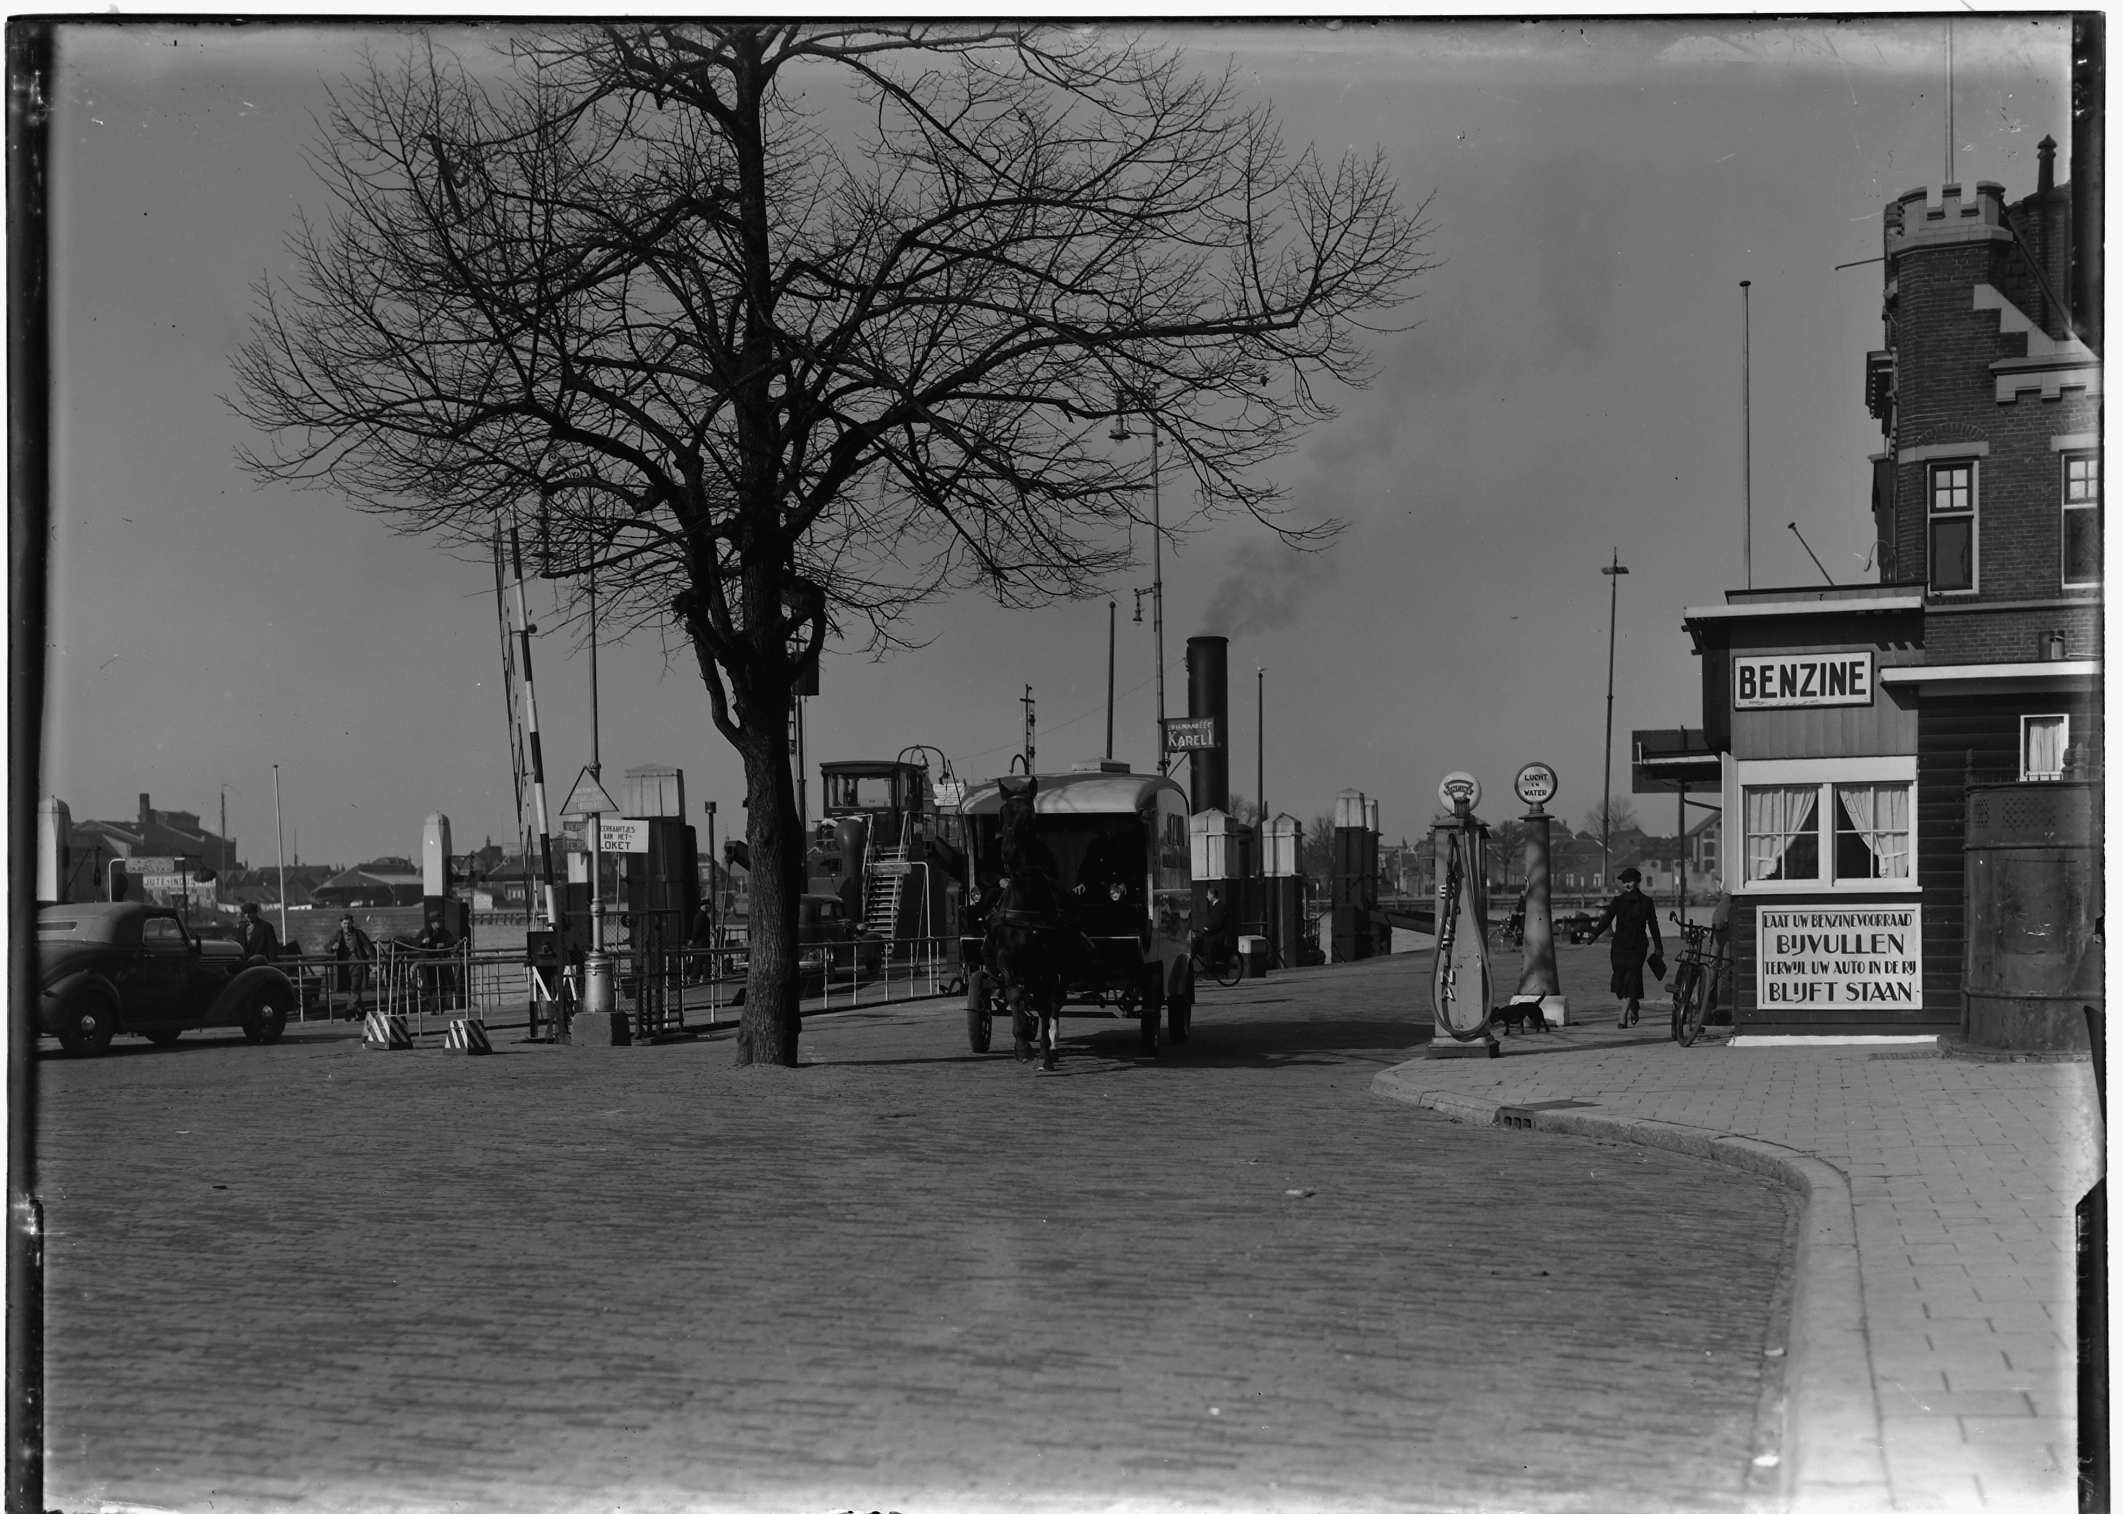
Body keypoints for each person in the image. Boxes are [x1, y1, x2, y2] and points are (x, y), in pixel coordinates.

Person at [1588, 867, 1664, 1028]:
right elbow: (1606, 919)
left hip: (1638, 947)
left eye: (1630, 881)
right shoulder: (1618, 901)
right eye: (1625, 882)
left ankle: (1622, 1017)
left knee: (1631, 977)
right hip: (1619, 947)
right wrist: (1594, 935)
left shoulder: (1647, 902)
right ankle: (1633, 1004)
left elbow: (1653, 925)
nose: (1627, 885)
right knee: (1620, 981)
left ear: (1637, 881)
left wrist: (1658, 947)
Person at [329, 915, 375, 1020]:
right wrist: (332, 947)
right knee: (351, 989)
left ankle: (349, 1011)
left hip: (358, 965)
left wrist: (374, 964)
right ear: (341, 924)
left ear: (352, 923)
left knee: (355, 988)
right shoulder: (339, 935)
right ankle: (362, 1013)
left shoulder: (358, 934)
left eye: (349, 923)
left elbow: (369, 947)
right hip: (345, 967)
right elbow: (327, 946)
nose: (347, 926)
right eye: (344, 923)